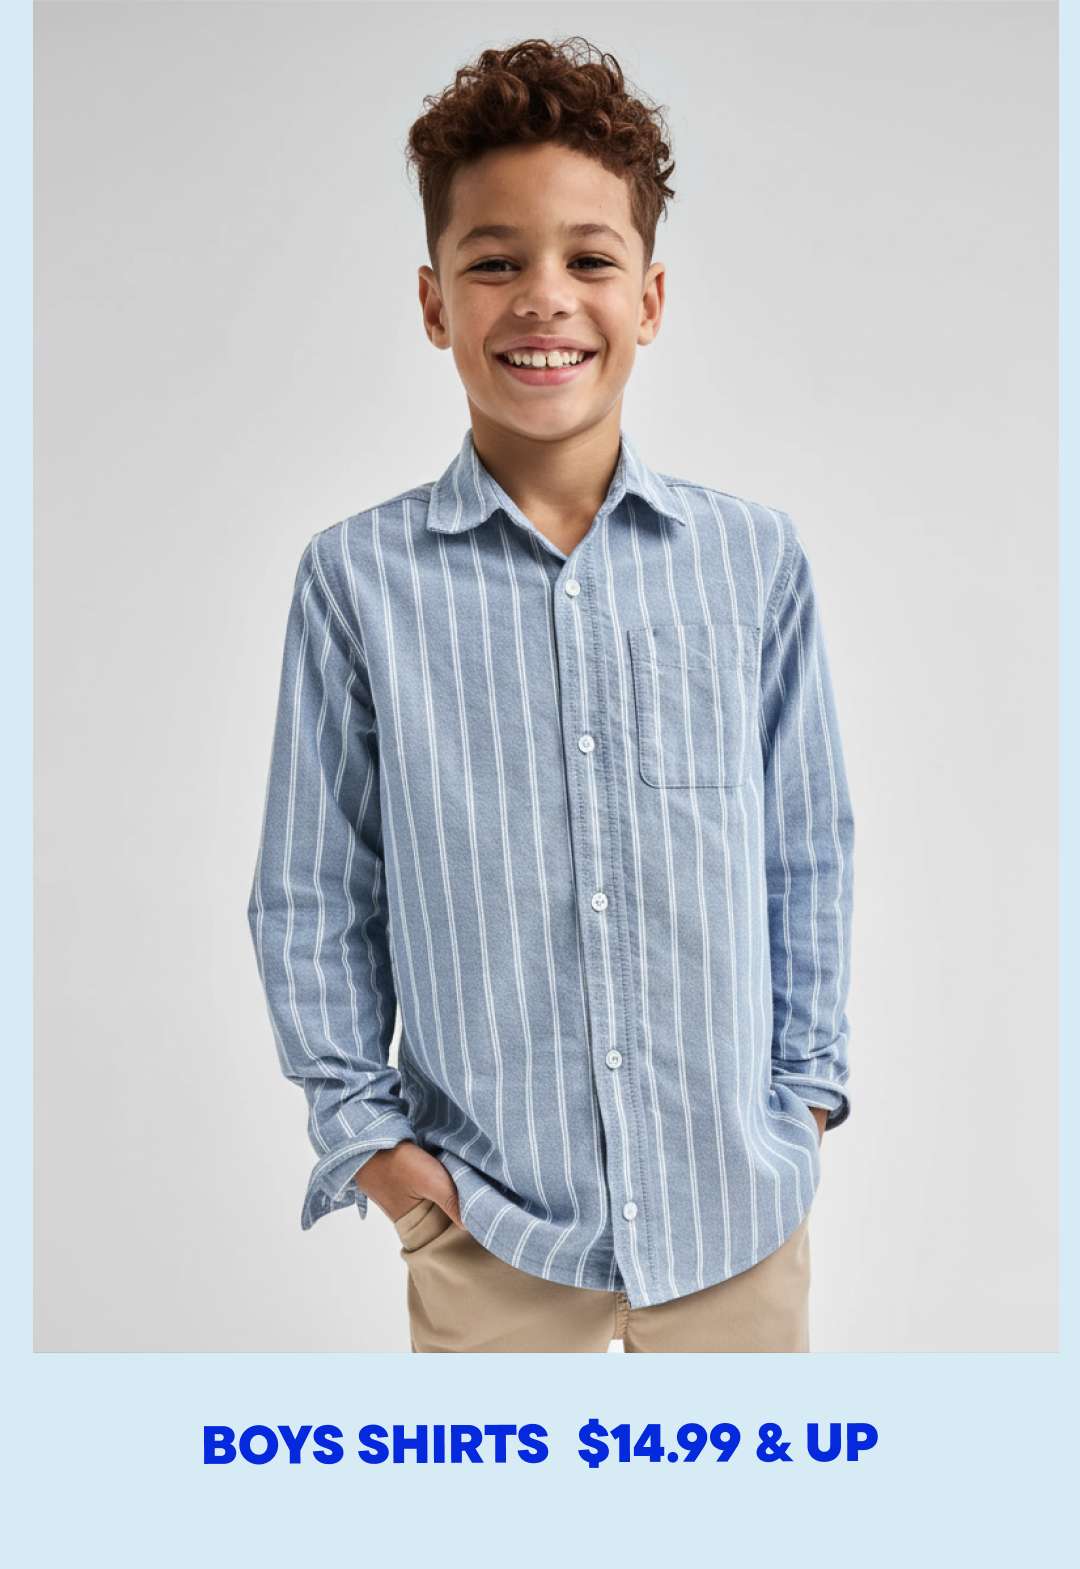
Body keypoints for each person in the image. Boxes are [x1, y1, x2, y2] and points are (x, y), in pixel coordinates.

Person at [246, 35, 855, 1353]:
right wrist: (373, 1146)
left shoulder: (752, 562)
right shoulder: (357, 582)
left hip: (733, 1214)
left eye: (589, 260)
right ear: (433, 303)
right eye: (494, 263)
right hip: (488, 1225)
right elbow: (312, 892)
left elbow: (806, 851)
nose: (544, 300)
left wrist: (801, 1105)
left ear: (651, 296)